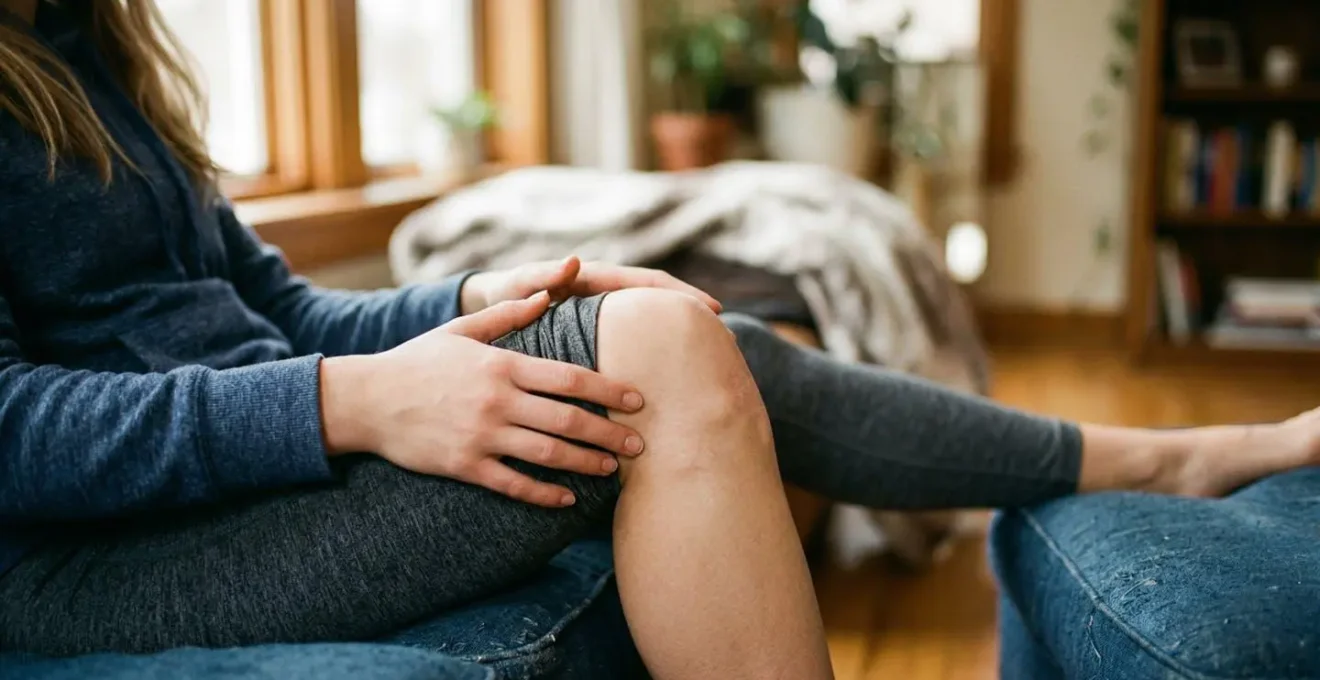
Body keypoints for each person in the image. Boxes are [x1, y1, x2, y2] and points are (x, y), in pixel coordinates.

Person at [1, 1, 1318, 678]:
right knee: (669, 352)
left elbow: (273, 316)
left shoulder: (92, 48)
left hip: (257, 477)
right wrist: (347, 404)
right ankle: (1160, 459)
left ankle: (1158, 459)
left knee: (678, 322)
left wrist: (476, 302)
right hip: (98, 561)